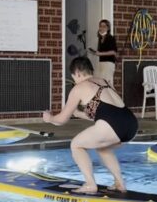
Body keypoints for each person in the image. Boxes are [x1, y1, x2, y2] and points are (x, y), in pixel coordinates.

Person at [43, 57, 138, 194]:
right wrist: (79, 114)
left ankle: (90, 184)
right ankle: (119, 183)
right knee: (102, 147)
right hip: (130, 124)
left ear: (77, 73)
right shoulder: (104, 81)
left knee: (76, 145)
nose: (75, 80)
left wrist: (49, 118)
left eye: (74, 77)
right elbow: (107, 113)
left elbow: (61, 120)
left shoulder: (79, 87)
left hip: (112, 125)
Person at [88, 19, 118, 85]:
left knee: (107, 84)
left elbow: (113, 52)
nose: (102, 28)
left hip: (108, 63)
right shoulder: (100, 38)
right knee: (99, 83)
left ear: (108, 28)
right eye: (100, 26)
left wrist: (100, 54)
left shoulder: (110, 38)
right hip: (101, 63)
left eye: (104, 26)